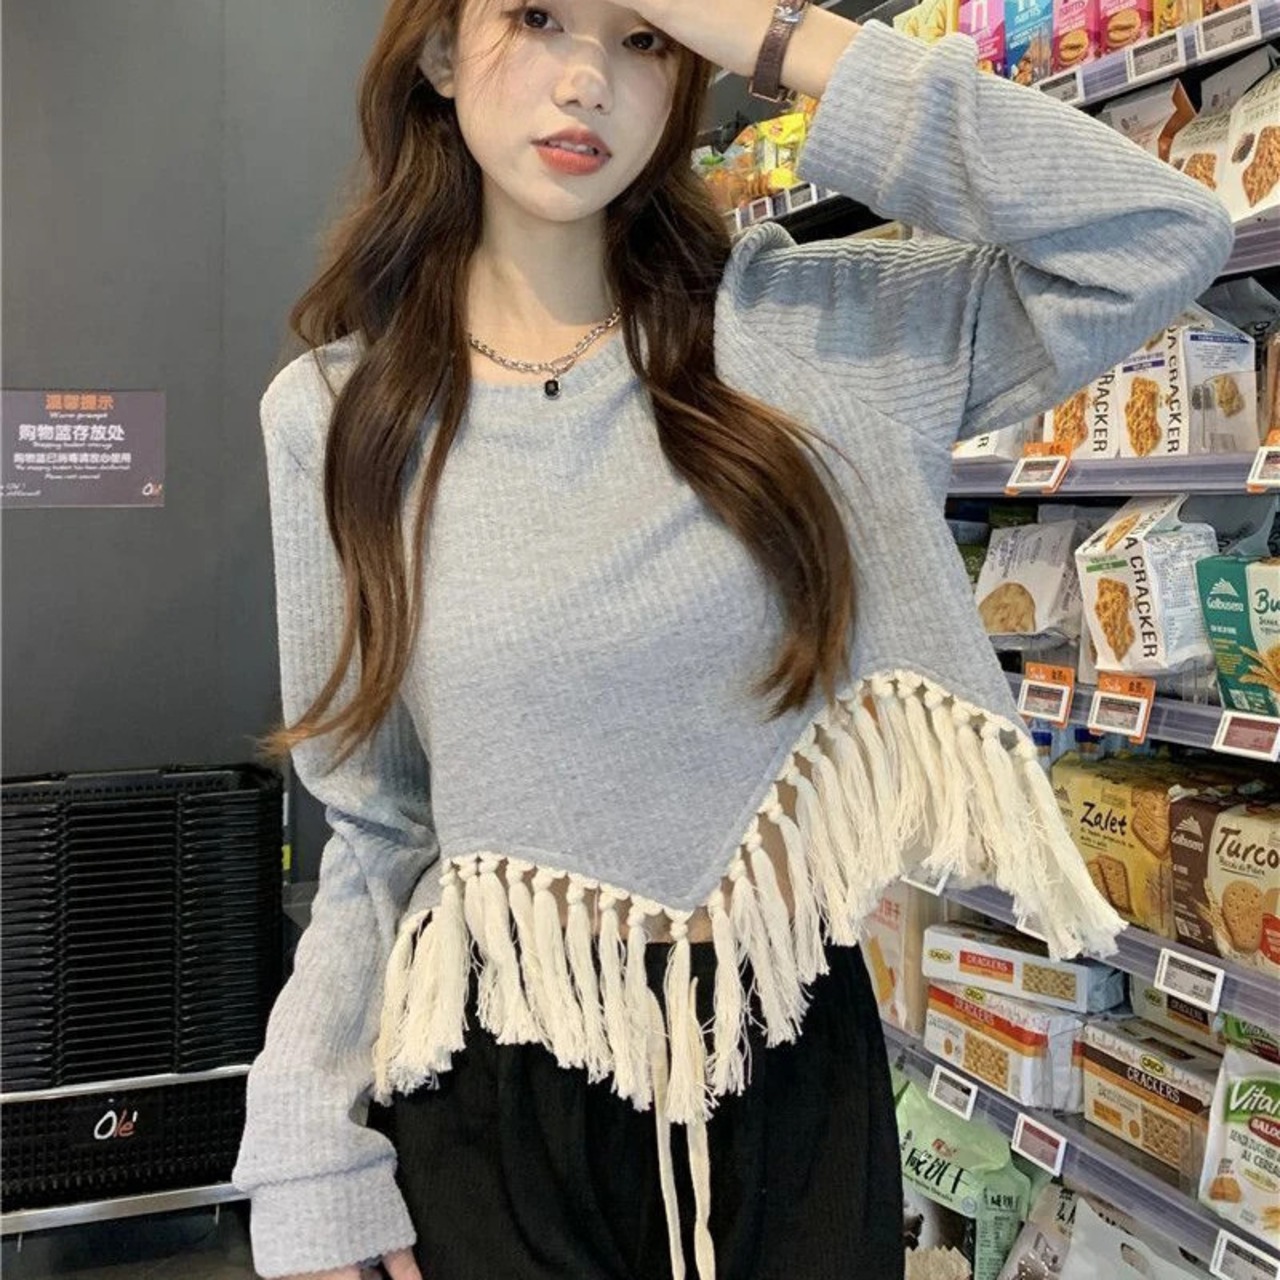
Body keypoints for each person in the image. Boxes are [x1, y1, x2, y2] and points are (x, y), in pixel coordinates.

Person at [230, 0, 1234, 1277]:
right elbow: (377, 824)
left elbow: (1158, 231)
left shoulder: (812, 335)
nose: (585, 81)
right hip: (496, 1088)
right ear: (435, 51)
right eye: (535, 17)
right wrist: (308, 1151)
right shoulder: (337, 415)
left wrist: (771, 32)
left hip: (788, 1058)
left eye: (640, 37)